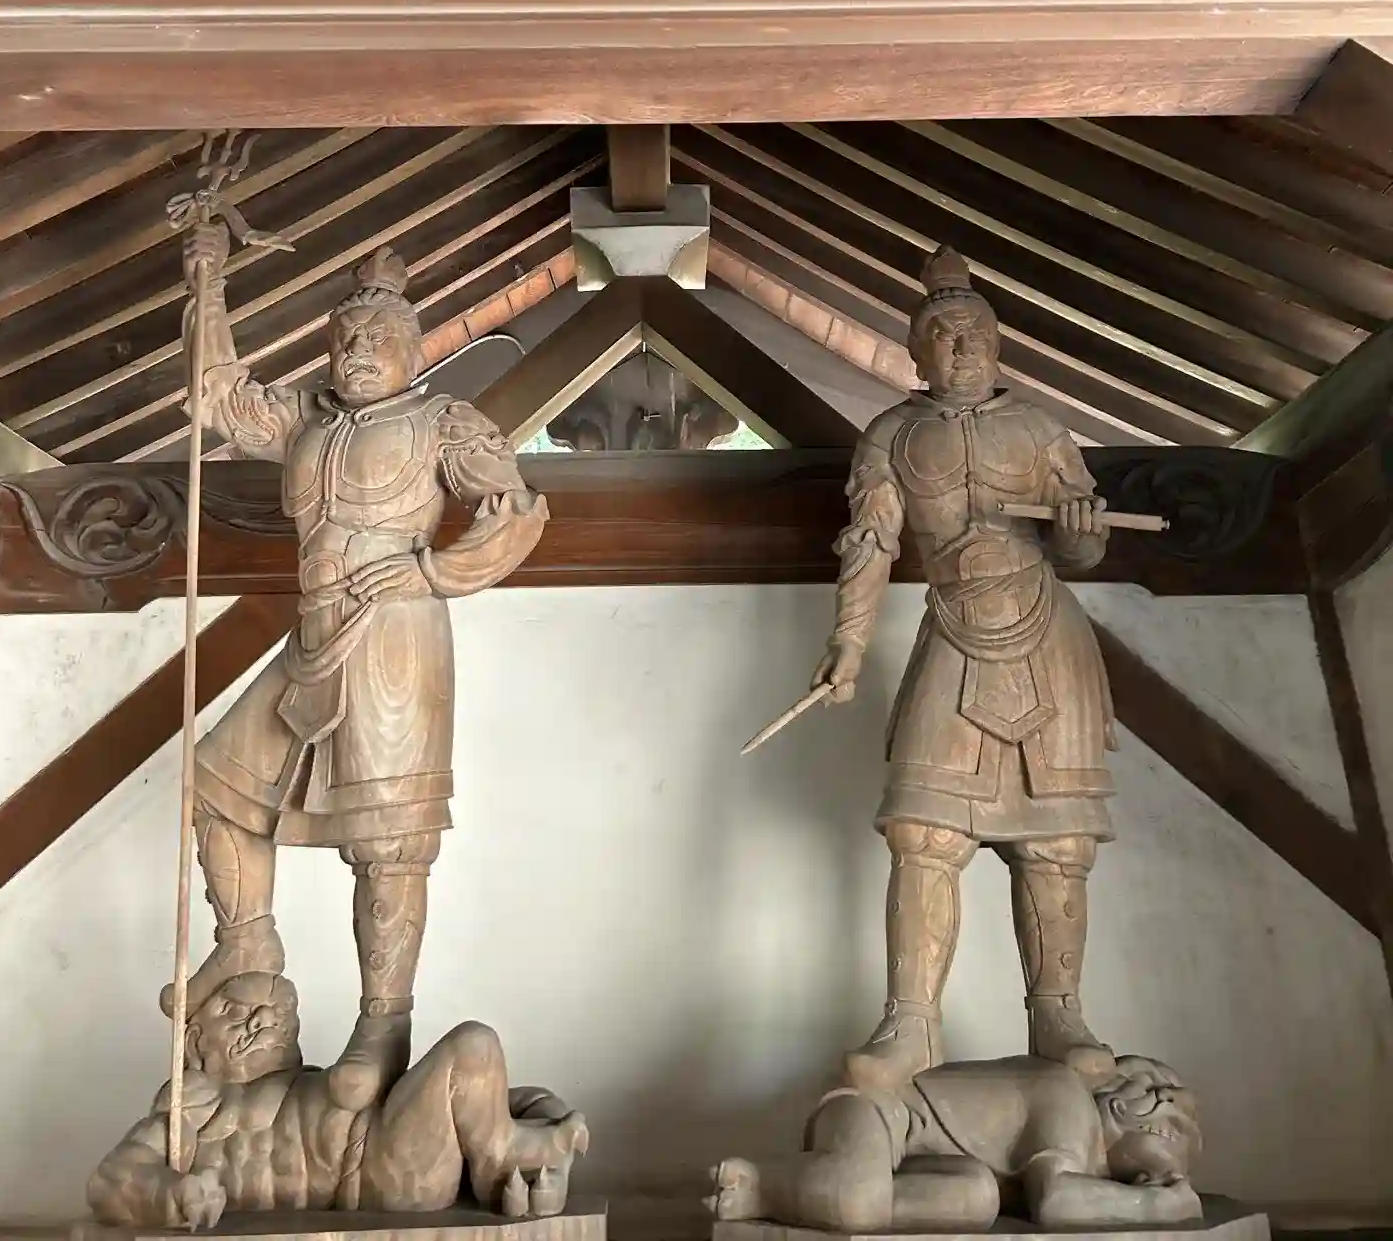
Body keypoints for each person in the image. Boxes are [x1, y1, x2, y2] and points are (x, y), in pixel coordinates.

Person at [173, 230, 547, 1108]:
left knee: (387, 843)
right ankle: (247, 940)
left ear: (415, 348)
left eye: (379, 337)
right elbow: (219, 396)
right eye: (346, 337)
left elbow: (515, 510)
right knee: (216, 785)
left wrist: (432, 571)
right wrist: (208, 276)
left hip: (395, 641)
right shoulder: (306, 417)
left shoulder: (443, 422)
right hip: (312, 633)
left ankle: (383, 1023)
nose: (359, 349)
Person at [813, 246, 1115, 1089]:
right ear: (917, 354)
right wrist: (848, 641)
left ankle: (1059, 1014)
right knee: (924, 831)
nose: (962, 346)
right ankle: (910, 1023)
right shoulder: (892, 435)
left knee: (1057, 841)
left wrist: (1081, 530)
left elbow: (1083, 551)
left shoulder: (1042, 428)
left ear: (998, 341)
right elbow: (870, 543)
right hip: (951, 626)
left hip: (1048, 633)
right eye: (943, 335)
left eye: (975, 331)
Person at [89, 973, 589, 1229]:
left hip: (389, 1159)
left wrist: (544, 1109)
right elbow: (111, 1178)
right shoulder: (187, 1113)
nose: (263, 1019)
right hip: (378, 1188)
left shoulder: (314, 1084)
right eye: (235, 1011)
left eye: (279, 1009)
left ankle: (510, 1160)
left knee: (474, 1047)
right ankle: (519, 1158)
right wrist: (171, 1194)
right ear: (195, 1039)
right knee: (474, 1047)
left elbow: (475, 1098)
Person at [709, 1054, 1201, 1234]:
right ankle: (763, 1184)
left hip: (927, 1163)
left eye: (1175, 1124)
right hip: (877, 1111)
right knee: (858, 1200)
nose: (1165, 1098)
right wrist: (1159, 1206)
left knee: (978, 1198)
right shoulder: (1069, 1097)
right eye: (1158, 1088)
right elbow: (1056, 1202)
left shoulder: (1089, 1157)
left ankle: (815, 1189)